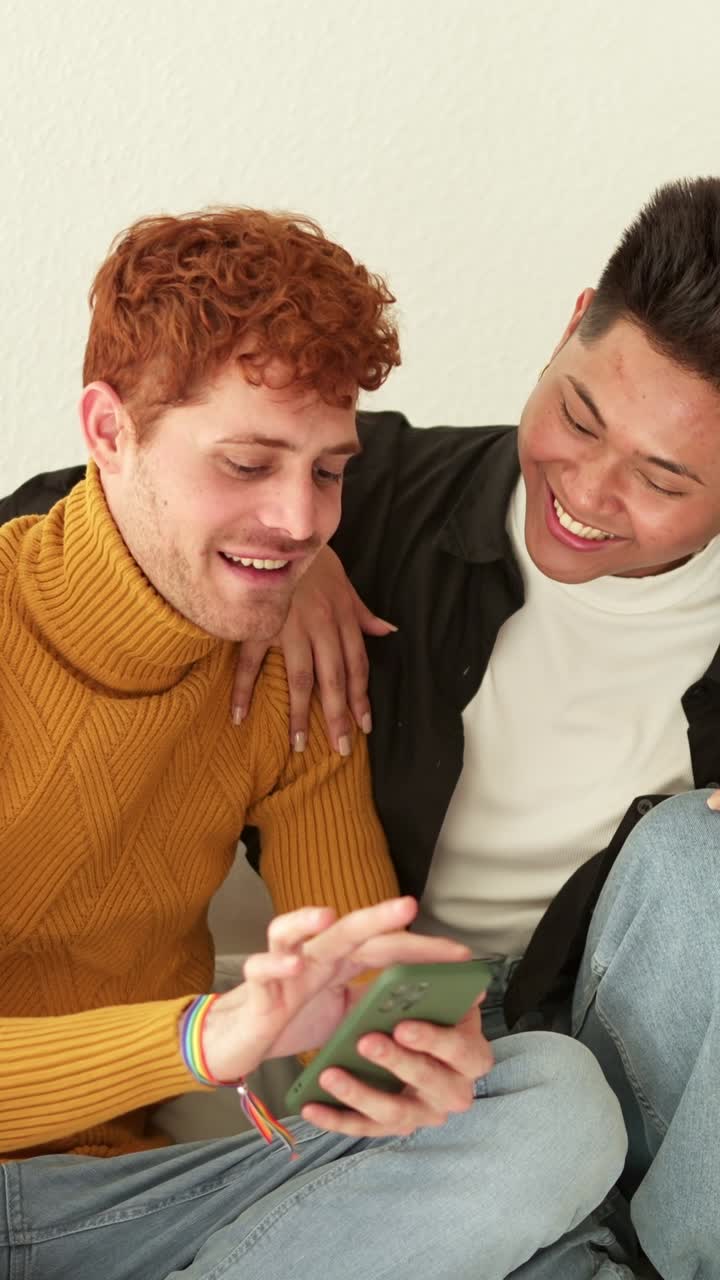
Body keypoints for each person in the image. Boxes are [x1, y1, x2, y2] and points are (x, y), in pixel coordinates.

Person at [0, 207, 625, 1279]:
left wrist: (402, 1055)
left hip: (131, 1200)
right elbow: (219, 1037)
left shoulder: (289, 659)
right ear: (107, 431)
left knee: (553, 1102)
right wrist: (203, 1035)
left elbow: (347, 993)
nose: (299, 519)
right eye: (246, 463)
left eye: (329, 470)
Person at [230, 176, 720, 1278]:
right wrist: (275, 552)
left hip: (640, 1062)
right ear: (569, 324)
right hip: (399, 1024)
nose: (587, 490)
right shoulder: (368, 491)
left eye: (661, 477)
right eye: (580, 415)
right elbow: (64, 524)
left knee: (706, 858)